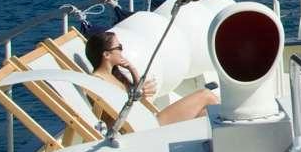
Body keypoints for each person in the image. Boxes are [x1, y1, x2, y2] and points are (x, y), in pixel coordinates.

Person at [85, 30, 216, 127]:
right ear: (106, 54)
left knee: (205, 114)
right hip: (144, 128)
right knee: (206, 95)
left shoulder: (112, 76)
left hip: (145, 121)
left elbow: (136, 99)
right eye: (119, 47)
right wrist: (138, 97)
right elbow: (112, 121)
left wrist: (133, 70)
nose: (121, 51)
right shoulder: (98, 82)